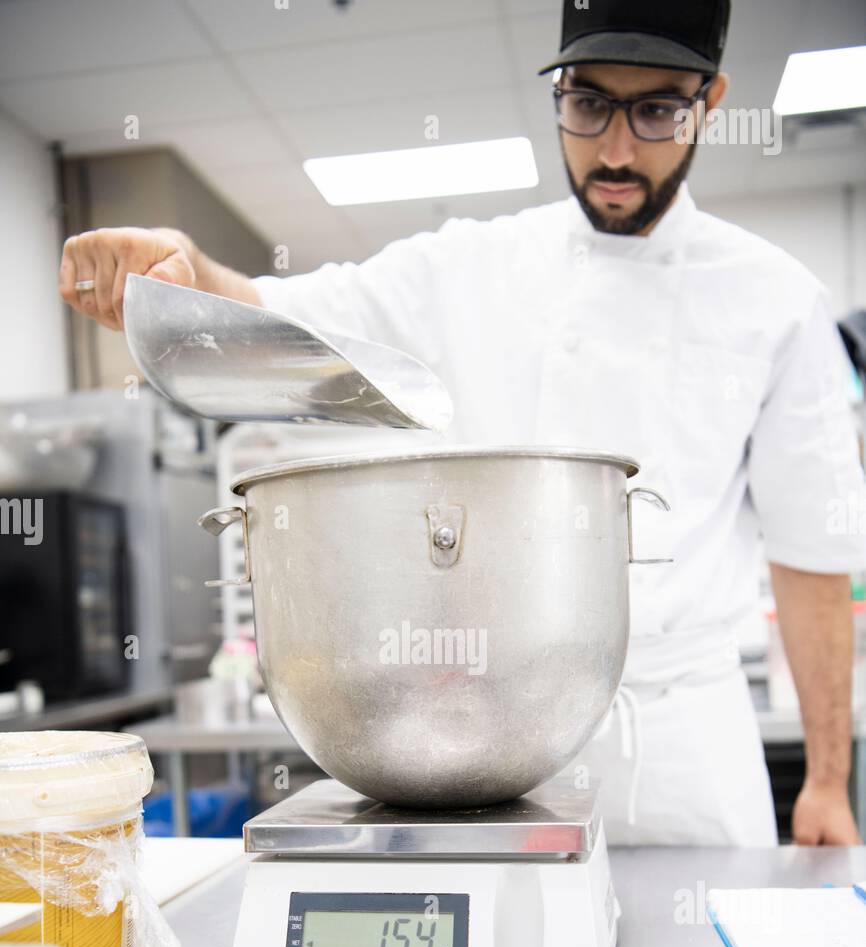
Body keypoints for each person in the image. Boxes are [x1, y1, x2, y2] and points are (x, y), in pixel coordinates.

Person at [59, 0, 866, 847]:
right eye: (589, 105)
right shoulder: (469, 267)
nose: (618, 150)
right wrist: (174, 270)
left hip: (685, 754)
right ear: (559, 92)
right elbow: (278, 312)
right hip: (495, 751)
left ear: (711, 100)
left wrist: (827, 781)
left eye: (658, 110)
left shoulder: (775, 299)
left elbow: (811, 554)